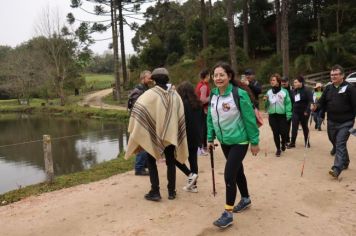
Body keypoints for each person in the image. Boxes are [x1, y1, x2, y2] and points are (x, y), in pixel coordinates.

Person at [207, 62, 260, 228]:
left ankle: (228, 213)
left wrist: (254, 142)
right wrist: (210, 138)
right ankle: (245, 198)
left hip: (240, 141)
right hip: (225, 142)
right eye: (215, 75)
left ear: (229, 76)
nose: (218, 78)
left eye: (222, 74)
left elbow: (250, 119)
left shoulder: (239, 94)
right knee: (237, 171)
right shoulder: (213, 95)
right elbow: (210, 118)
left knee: (229, 175)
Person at [125, 67, 189, 201]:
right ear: (167, 79)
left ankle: (155, 191)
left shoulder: (148, 95)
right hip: (171, 134)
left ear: (153, 80)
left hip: (153, 134)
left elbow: (137, 111)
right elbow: (180, 114)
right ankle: (172, 192)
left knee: (151, 160)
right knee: (171, 161)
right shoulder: (174, 94)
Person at [313, 65, 356, 178]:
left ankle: (336, 168)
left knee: (340, 143)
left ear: (342, 75)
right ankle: (345, 161)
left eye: (336, 74)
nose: (333, 76)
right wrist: (315, 107)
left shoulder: (350, 88)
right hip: (331, 121)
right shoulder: (328, 88)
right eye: (332, 74)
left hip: (346, 122)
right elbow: (321, 102)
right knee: (335, 142)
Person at [175, 81, 203, 193]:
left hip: (184, 136)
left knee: (174, 158)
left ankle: (190, 174)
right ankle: (193, 186)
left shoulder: (180, 104)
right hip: (196, 136)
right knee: (193, 160)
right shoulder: (198, 103)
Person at [127, 70, 152, 176]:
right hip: (139, 121)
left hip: (145, 120)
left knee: (146, 143)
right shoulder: (138, 91)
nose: (151, 79)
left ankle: (145, 165)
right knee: (141, 144)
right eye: (149, 77)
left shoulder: (146, 89)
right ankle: (139, 168)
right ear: (143, 78)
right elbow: (137, 108)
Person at [264, 73, 292, 157]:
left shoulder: (284, 91)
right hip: (272, 115)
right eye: (271, 80)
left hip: (282, 115)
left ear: (278, 81)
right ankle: (278, 149)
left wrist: (288, 114)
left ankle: (283, 143)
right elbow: (266, 106)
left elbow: (288, 103)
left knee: (283, 132)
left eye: (273, 80)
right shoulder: (268, 92)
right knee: (275, 133)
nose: (271, 82)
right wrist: (266, 101)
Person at [287, 76, 313, 149]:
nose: (294, 84)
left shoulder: (307, 90)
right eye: (294, 82)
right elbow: (291, 101)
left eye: (295, 82)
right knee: (294, 127)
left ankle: (307, 142)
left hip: (304, 112)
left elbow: (311, 101)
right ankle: (292, 143)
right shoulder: (294, 91)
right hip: (295, 112)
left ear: (301, 82)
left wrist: (307, 111)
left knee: (305, 127)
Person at [195, 69, 211, 156]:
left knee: (203, 129)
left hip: (199, 110)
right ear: (206, 76)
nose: (210, 78)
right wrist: (211, 95)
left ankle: (202, 147)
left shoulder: (199, 84)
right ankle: (202, 147)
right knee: (204, 129)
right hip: (203, 110)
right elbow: (203, 100)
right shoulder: (204, 86)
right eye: (209, 76)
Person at [281, 77, 294, 144]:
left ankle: (287, 139)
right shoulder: (280, 90)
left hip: (291, 110)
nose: (283, 83)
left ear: (288, 82)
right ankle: (285, 138)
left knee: (288, 125)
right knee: (283, 125)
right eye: (282, 81)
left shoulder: (292, 89)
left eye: (285, 81)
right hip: (282, 110)